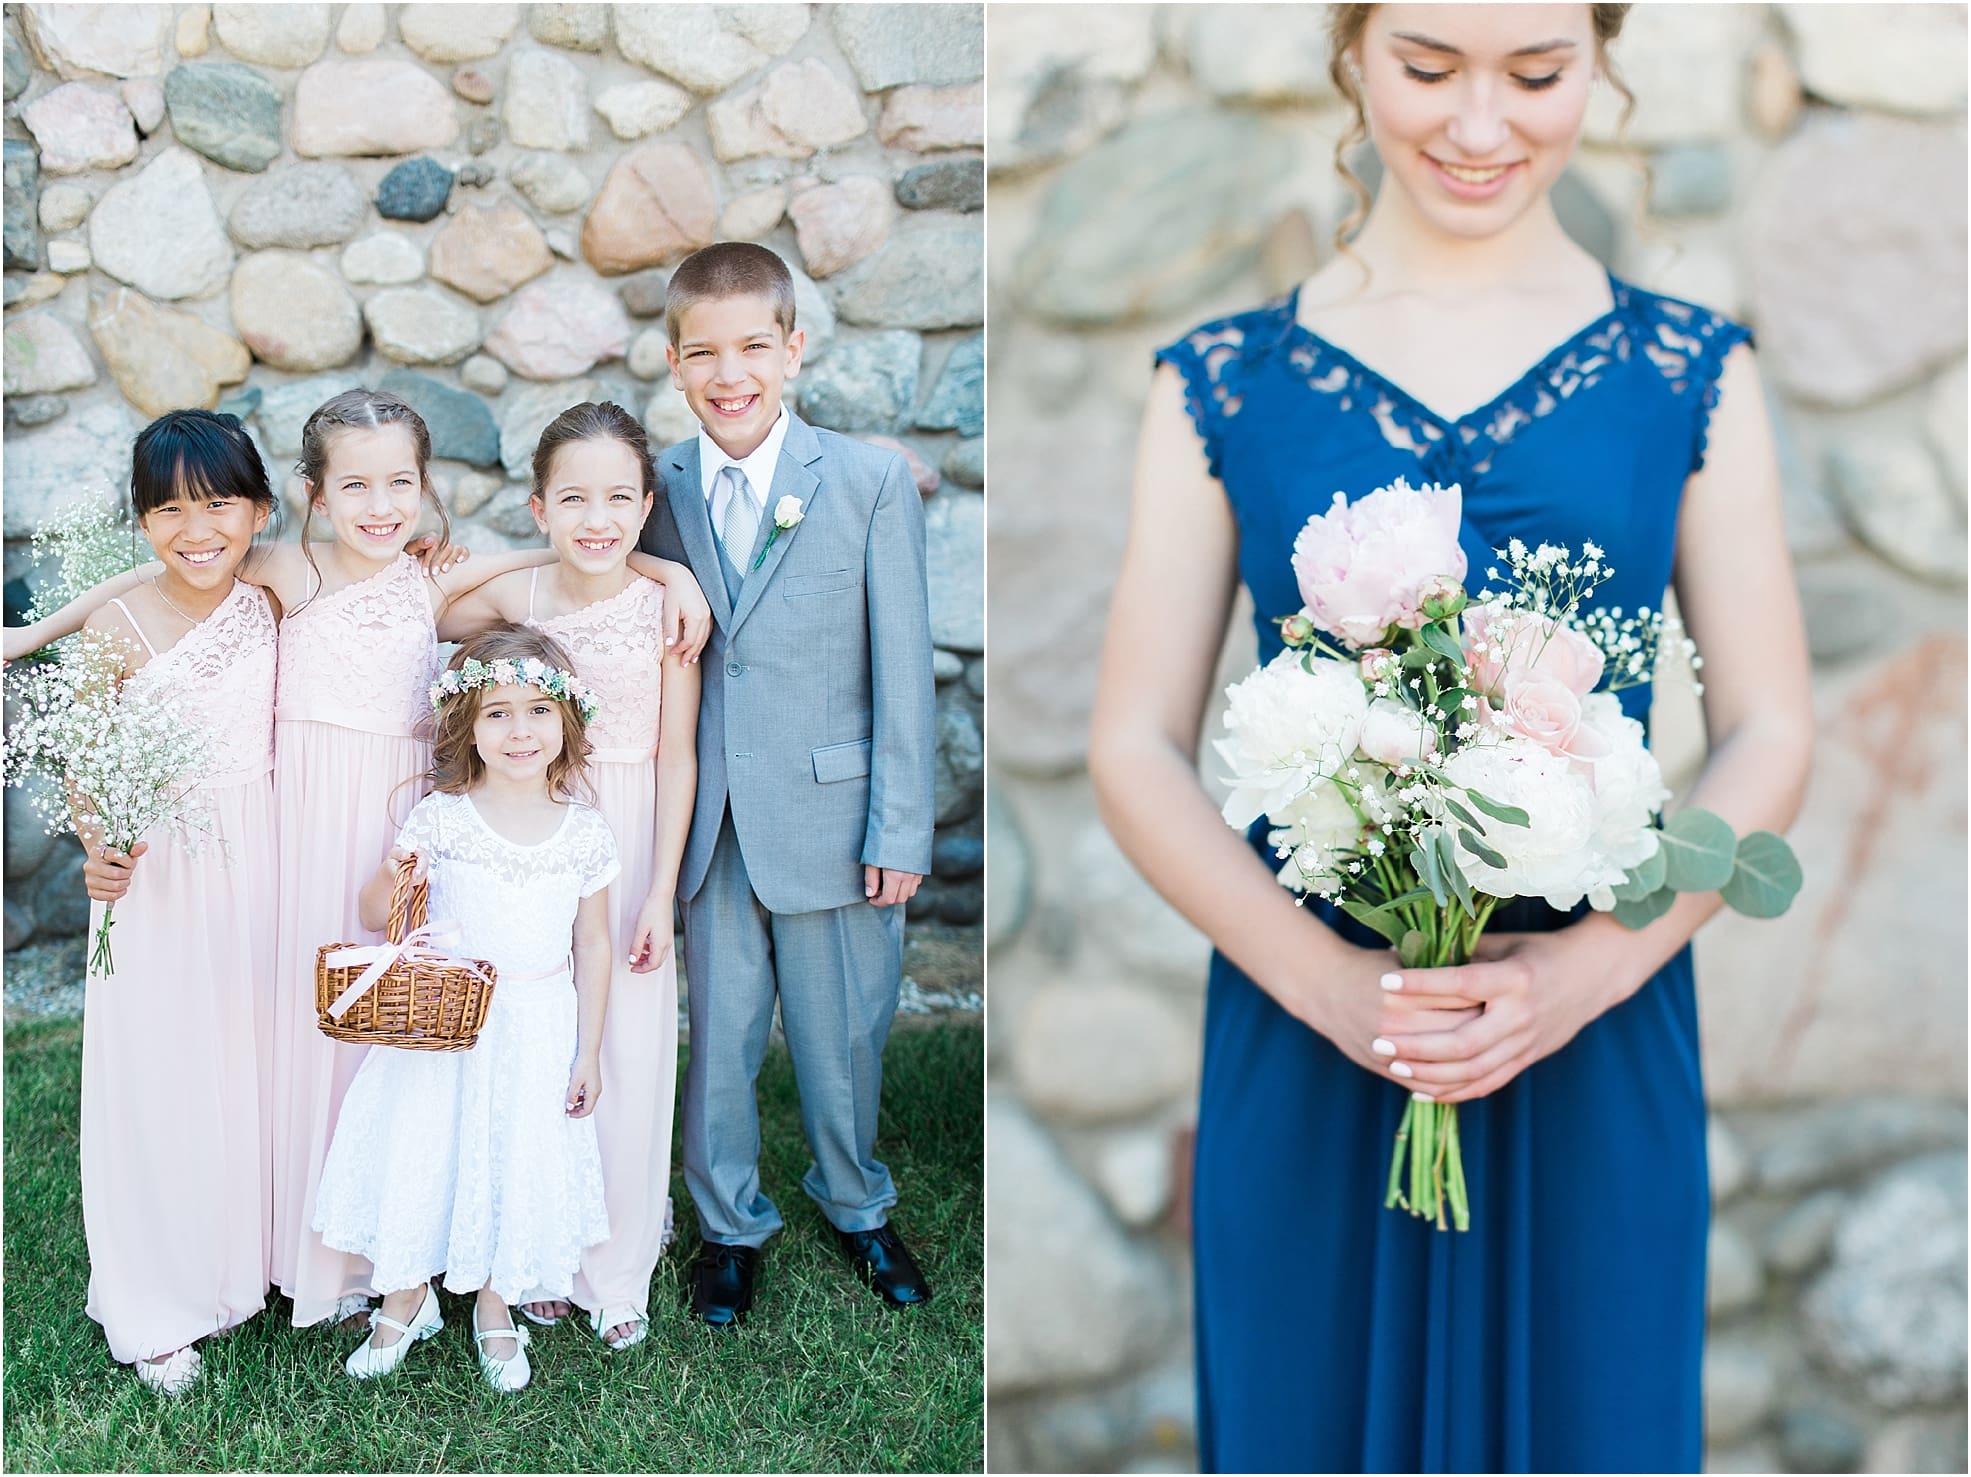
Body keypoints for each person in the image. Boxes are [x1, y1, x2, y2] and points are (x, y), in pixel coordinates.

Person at [1086, 5, 1813, 1471]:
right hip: (1314, 1032)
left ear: (1597, 59)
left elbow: (1770, 727)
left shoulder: (1689, 372)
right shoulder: (1221, 382)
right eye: (1427, 68)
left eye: (1535, 75)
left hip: (1594, 1031)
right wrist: (1328, 986)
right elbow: (1131, 746)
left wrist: (1587, 971)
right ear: (1352, 48)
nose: (1480, 126)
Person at [5, 388, 711, 1332]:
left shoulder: (430, 583)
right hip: (299, 826)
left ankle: (390, 1244)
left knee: (388, 1035)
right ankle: (295, 1246)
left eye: (400, 485)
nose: (380, 507)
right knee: (300, 1032)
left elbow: (560, 558)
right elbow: (152, 574)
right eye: (356, 486)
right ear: (313, 494)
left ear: (424, 487)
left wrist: (671, 572)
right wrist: (34, 634)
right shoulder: (288, 569)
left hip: (393, 823)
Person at [636, 240, 939, 1326]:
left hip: (835, 811)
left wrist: (899, 826)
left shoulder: (865, 482)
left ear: (794, 349)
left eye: (754, 348)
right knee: (718, 1036)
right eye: (705, 353)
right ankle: (728, 1226)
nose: (731, 375)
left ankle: (857, 1202)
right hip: (712, 818)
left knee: (843, 1033)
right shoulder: (655, 490)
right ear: (673, 362)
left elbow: (903, 666)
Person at [437, 401, 702, 1349]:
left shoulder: (665, 609)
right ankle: (540, 1248)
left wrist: (659, 890)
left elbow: (678, 755)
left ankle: (615, 1264)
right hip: (532, 829)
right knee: (540, 1044)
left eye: (620, 499)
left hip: (627, 830)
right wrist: (534, 554)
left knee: (626, 1048)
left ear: (646, 506)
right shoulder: (526, 595)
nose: (598, 520)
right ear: (540, 504)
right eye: (573, 499)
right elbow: (435, 603)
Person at [313, 624, 619, 1392]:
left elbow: (593, 943)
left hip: (536, 1022)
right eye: (497, 713)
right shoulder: (442, 817)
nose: (520, 730)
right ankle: (404, 1298)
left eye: (538, 710)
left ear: (566, 720)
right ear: (466, 726)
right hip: (445, 1022)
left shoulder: (583, 832)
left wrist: (587, 1050)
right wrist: (395, 873)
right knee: (425, 1148)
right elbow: (376, 911)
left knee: (513, 1155)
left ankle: (495, 1301)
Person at [69, 410, 280, 1395]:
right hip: (156, 868)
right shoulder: (113, 626)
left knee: (249, 1062)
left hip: (260, 850)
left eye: (219, 504)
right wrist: (96, 846)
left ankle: (246, 1258)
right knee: (159, 1072)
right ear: (142, 521)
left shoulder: (274, 596)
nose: (197, 530)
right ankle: (155, 1290)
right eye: (168, 510)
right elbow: (84, 764)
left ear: (260, 511)